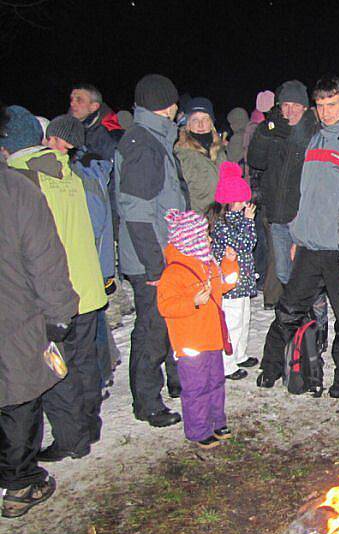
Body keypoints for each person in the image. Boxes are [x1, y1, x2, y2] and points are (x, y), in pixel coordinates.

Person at [4, 106, 107, 462]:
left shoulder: (21, 179)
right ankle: (89, 425)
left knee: (56, 367)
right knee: (85, 361)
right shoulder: (71, 174)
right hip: (87, 287)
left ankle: (71, 438)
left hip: (54, 292)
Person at [257, 75, 339, 398]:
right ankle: (271, 366)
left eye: (331, 104)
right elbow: (304, 193)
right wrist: (296, 234)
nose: (325, 111)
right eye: (319, 105)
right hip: (307, 244)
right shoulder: (315, 140)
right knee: (288, 310)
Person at [0, 104, 79, 517]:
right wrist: (60, 312)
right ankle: (20, 482)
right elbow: (45, 259)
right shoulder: (15, 190)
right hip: (14, 315)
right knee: (18, 397)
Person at [115, 73, 185, 428]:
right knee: (152, 331)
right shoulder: (144, 144)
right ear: (169, 105)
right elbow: (138, 215)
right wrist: (156, 268)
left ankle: (176, 381)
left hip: (162, 254)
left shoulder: (153, 138)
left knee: (169, 323)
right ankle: (147, 401)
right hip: (150, 261)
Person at [47, 116, 119, 397]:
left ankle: (98, 379)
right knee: (91, 325)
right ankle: (101, 372)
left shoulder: (78, 175)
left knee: (88, 331)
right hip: (87, 266)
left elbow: (96, 223)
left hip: (84, 265)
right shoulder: (82, 171)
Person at [157, 209, 239, 449]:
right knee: (196, 388)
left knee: (216, 382)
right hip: (191, 344)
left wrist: (229, 263)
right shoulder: (174, 273)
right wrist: (193, 302)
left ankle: (216, 421)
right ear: (190, 239)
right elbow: (166, 306)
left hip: (212, 338)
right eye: (204, 236)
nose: (209, 239)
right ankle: (198, 429)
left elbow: (226, 285)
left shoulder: (208, 265)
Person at [247, 80, 319, 290]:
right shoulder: (270, 129)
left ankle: (311, 316)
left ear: (305, 107)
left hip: (303, 215)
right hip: (278, 214)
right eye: (285, 105)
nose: (290, 110)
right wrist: (264, 134)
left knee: (305, 271)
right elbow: (256, 161)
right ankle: (297, 313)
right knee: (283, 270)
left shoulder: (315, 132)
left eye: (296, 105)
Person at [207, 162, 258, 380]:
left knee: (244, 319)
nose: (244, 204)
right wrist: (248, 222)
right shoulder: (221, 224)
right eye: (240, 201)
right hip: (230, 285)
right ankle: (227, 363)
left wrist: (246, 221)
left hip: (243, 281)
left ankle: (239, 354)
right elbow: (244, 244)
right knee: (232, 323)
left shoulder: (236, 218)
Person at [174, 97, 227, 214]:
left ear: (211, 122)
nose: (201, 124)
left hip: (220, 219)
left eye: (205, 119)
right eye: (195, 120)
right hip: (196, 221)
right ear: (188, 123)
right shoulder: (181, 153)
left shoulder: (220, 150)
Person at [68, 83, 123, 161]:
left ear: (94, 107)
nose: (72, 103)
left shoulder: (108, 136)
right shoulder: (67, 128)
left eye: (79, 100)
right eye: (71, 99)